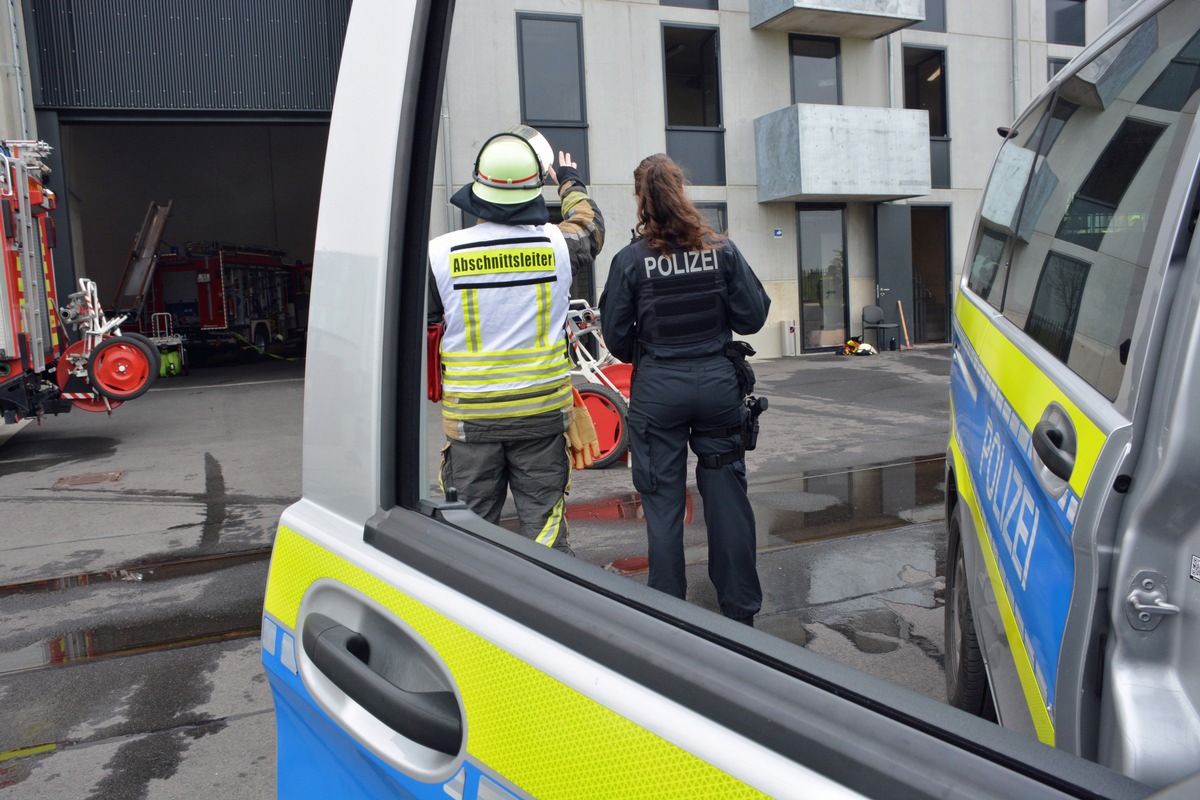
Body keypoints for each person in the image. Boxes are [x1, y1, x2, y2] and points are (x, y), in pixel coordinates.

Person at [599, 153, 769, 624]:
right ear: (682, 192)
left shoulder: (630, 261)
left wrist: (654, 349)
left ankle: (670, 617)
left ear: (640, 199)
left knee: (663, 506)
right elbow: (752, 318)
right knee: (728, 502)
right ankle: (741, 613)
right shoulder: (722, 249)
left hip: (659, 392)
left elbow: (616, 339)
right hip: (717, 387)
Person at [428, 126, 605, 552]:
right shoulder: (560, 245)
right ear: (533, 191)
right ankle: (549, 609)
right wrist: (568, 180)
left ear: (477, 187)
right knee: (545, 533)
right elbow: (590, 225)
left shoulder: (439, 254)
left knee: (471, 535)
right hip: (541, 418)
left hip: (473, 423)